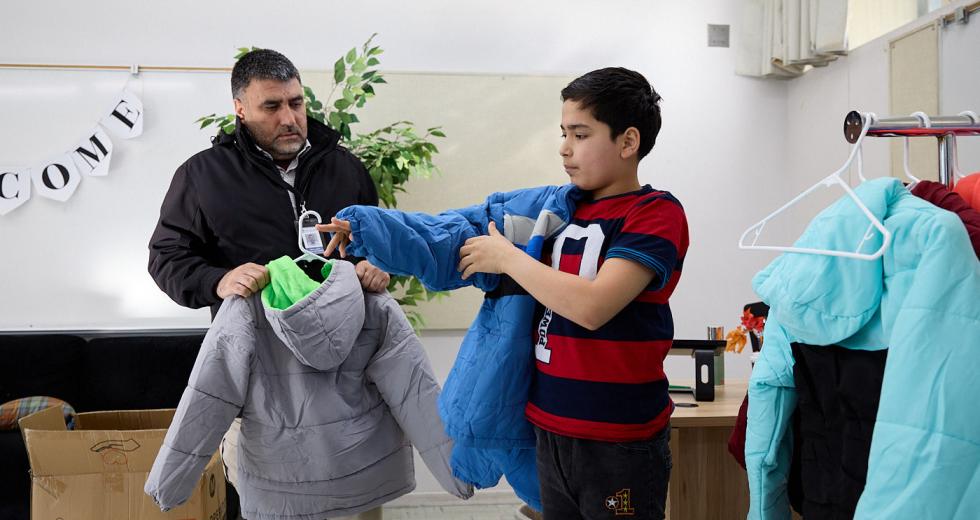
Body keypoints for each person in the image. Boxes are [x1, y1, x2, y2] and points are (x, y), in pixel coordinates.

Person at [321, 67, 688, 520]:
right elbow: (453, 232)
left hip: (620, 440)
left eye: (580, 134)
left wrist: (509, 259)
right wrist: (368, 229)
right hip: (547, 430)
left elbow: (594, 305)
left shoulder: (654, 213)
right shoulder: (551, 206)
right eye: (563, 133)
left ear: (628, 142)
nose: (565, 148)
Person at [147, 48, 388, 520]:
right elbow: (166, 257)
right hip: (258, 379)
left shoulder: (347, 169)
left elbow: (377, 244)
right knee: (270, 503)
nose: (290, 118)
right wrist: (218, 280)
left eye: (297, 103)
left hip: (345, 374)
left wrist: (376, 268)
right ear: (240, 108)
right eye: (272, 107)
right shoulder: (201, 175)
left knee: (354, 500)